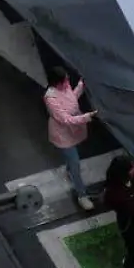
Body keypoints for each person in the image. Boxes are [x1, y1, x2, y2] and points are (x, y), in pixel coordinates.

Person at [43, 67, 99, 212]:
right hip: (63, 135)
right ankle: (82, 195)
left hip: (73, 129)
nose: (68, 83)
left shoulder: (65, 87)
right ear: (56, 83)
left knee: (72, 160)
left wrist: (81, 85)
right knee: (75, 164)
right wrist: (87, 117)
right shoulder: (51, 98)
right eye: (65, 81)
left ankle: (69, 170)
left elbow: (72, 98)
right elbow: (66, 119)